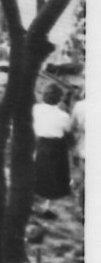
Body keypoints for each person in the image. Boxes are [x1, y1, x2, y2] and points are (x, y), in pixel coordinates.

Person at [33, 83, 73, 200]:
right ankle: (53, 197)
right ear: (59, 99)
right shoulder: (63, 115)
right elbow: (68, 129)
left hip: (40, 141)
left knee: (40, 167)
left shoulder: (36, 109)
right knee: (56, 171)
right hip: (57, 144)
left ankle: (37, 193)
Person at [69, 88, 86, 216]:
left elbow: (72, 126)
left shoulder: (79, 105)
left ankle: (81, 208)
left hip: (83, 145)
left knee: (83, 174)